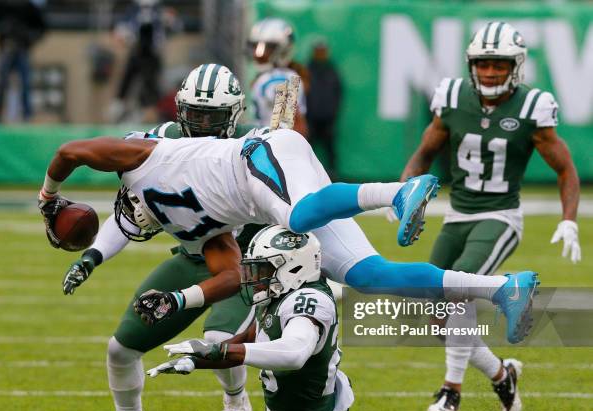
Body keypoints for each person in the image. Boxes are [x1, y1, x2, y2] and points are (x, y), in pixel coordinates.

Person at [38, 122, 540, 360]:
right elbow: (232, 275)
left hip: (263, 154)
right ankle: (502, 288)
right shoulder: (188, 227)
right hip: (267, 192)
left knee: (299, 214)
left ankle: (397, 191)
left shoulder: (142, 159)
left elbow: (69, 150)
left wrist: (48, 198)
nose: (133, 219)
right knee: (370, 276)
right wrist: (178, 299)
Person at [62, 65, 257, 411]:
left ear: (232, 116)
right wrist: (93, 256)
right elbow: (128, 216)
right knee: (120, 348)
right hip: (192, 255)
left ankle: (237, 404)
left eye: (211, 117)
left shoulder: (250, 153)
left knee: (220, 341)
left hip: (244, 265)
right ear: (180, 110)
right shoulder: (156, 147)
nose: (201, 126)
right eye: (195, 115)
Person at [400, 21, 580, 411]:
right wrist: (404, 192)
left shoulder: (533, 107)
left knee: (459, 287)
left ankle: (451, 390)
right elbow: (423, 152)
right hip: (456, 214)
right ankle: (503, 374)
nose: (490, 72)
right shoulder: (450, 98)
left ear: (515, 66)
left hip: (500, 216)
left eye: (499, 64)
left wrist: (569, 220)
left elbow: (566, 169)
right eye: (482, 64)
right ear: (471, 64)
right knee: (436, 314)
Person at [146, 225, 364, 411]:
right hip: (328, 402)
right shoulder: (281, 293)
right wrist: (196, 359)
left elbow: (294, 353)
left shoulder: (306, 301)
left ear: (293, 266)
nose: (253, 276)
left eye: (264, 268)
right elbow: (246, 340)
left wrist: (221, 352)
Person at [0, 0, 46, 123]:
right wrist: (2, 29)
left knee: (25, 83)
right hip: (5, 48)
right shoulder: (0, 4)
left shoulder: (28, 6)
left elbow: (41, 27)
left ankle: (27, 116)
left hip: (22, 49)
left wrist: (28, 38)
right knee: (1, 83)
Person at [248, 17, 308, 137]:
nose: (259, 53)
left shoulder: (278, 79)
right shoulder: (275, 76)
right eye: (256, 46)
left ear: (284, 48)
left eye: (268, 48)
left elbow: (296, 125)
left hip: (273, 146)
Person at [306, 40, 342, 179]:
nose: (321, 54)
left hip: (328, 119)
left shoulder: (332, 70)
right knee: (307, 149)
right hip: (311, 119)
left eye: (323, 50)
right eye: (318, 50)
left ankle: (333, 178)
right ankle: (307, 176)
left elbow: (338, 92)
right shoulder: (307, 70)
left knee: (330, 151)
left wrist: (332, 111)